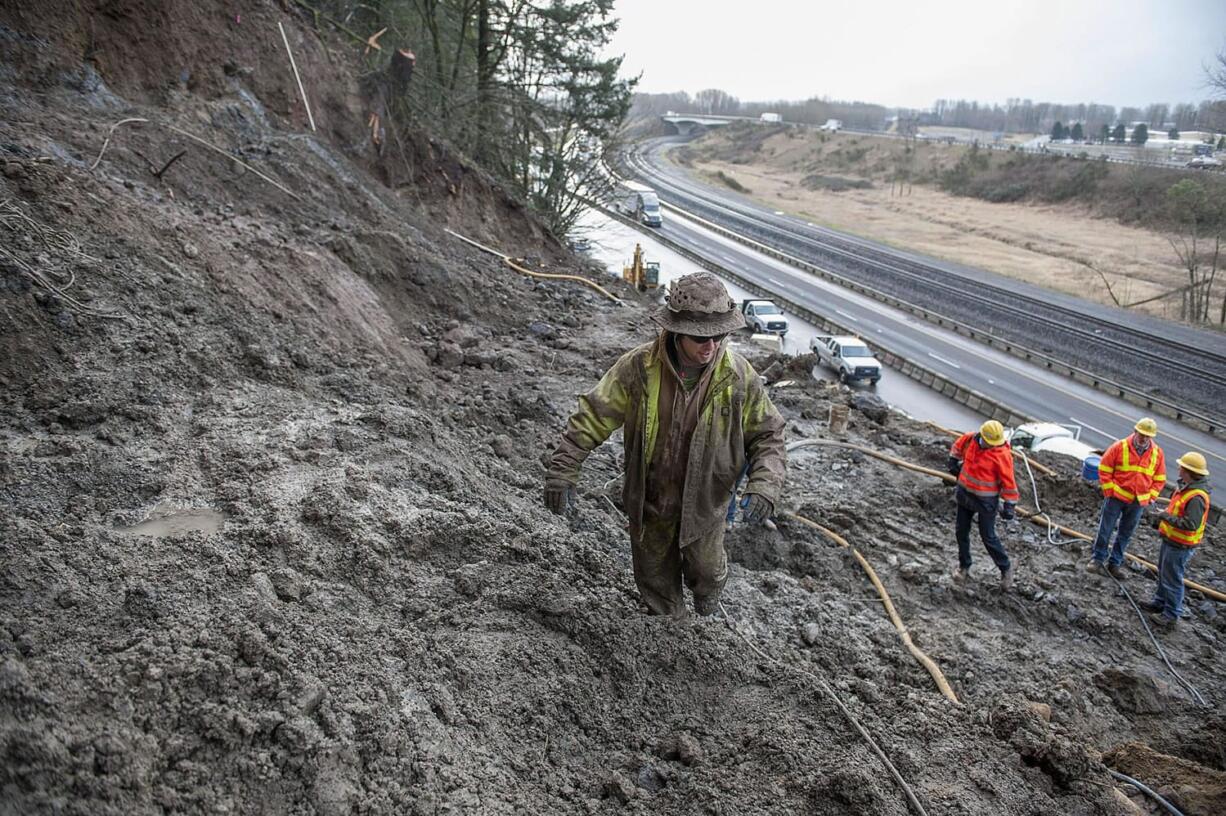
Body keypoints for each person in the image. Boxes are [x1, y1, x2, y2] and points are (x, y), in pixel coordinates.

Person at [544, 272, 786, 617]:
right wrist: (563, 469)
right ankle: (669, 631)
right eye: (701, 338)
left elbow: (769, 434)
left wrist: (765, 484)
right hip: (651, 500)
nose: (711, 347)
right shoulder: (639, 368)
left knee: (707, 570)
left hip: (707, 501)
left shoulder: (738, 377)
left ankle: (707, 602)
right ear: (676, 331)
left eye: (719, 337)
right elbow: (594, 415)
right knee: (656, 584)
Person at [1088, 418, 1166, 580]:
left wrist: (1150, 497)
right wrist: (1110, 491)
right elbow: (1104, 469)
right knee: (1106, 529)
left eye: (1147, 435)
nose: (1144, 438)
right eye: (1142, 434)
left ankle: (1115, 563)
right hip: (1116, 497)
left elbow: (1159, 478)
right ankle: (1098, 559)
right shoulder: (1120, 447)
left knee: (1125, 534)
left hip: (1138, 502)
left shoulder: (1157, 453)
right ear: (1135, 431)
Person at [1142, 452, 1212, 629]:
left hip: (1181, 545)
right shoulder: (1185, 488)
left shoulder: (1196, 497)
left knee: (1172, 579)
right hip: (1171, 539)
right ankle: (1159, 602)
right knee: (1164, 573)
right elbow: (1177, 511)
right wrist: (1165, 516)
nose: (1179, 468)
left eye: (1182, 467)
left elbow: (1191, 524)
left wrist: (1166, 517)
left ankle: (1171, 615)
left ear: (1188, 471)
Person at [947, 420, 1019, 590]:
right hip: (965, 495)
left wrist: (1010, 505)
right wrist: (953, 461)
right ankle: (964, 567)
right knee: (961, 531)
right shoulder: (971, 439)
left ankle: (1006, 568)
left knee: (988, 536)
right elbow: (957, 446)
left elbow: (1008, 482)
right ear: (983, 437)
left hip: (986, 501)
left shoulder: (1002, 454)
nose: (993, 446)